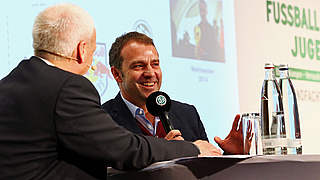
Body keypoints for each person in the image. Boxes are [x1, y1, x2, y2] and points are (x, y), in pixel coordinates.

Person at [0, 3, 222, 180]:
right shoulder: (68, 86)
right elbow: (125, 150)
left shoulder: (9, 83)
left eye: (155, 63)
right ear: (82, 50)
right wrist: (189, 148)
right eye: (93, 50)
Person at [101, 31, 247, 154]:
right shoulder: (103, 120)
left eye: (155, 64)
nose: (150, 73)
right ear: (117, 74)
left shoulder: (187, 114)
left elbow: (205, 172)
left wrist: (230, 156)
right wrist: (168, 151)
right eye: (139, 66)